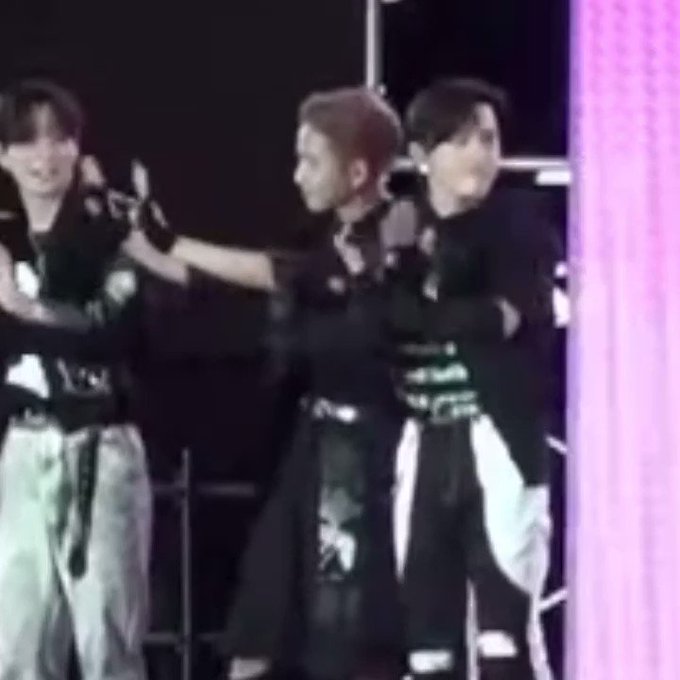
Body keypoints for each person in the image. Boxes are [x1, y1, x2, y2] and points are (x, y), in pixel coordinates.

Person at [141, 87, 409, 680]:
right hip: (309, 452)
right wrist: (154, 242)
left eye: (311, 161)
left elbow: (285, 276)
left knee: (346, 638)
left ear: (358, 171)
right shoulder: (321, 238)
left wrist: (172, 245)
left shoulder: (402, 234)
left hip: (368, 460)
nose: (297, 175)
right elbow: (258, 273)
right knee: (258, 624)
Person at [0, 78, 183, 680]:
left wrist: (26, 311)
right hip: (22, 446)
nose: (44, 155)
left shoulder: (111, 228)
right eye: (27, 140)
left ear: (78, 148)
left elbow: (116, 331)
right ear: (4, 155)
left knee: (107, 641)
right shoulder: (4, 238)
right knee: (19, 647)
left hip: (100, 448)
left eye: (59, 138)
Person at [388, 78, 556, 680]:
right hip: (425, 440)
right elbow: (374, 319)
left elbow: (500, 319)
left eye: (488, 139)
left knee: (504, 638)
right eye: (460, 141)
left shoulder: (519, 225)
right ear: (421, 154)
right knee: (428, 647)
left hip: (498, 439)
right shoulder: (398, 230)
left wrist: (417, 307)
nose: (480, 154)